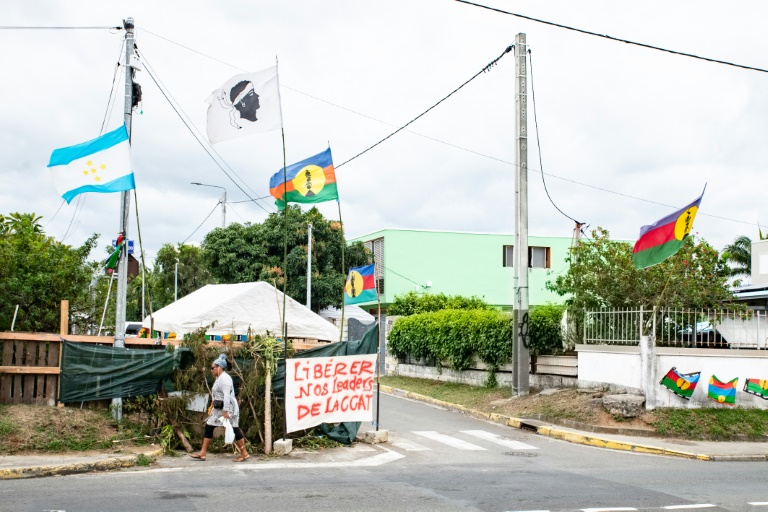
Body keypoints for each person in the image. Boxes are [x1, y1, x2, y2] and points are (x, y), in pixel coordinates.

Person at [190, 353, 249, 462]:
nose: (211, 370)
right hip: (218, 408)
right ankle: (202, 453)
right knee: (209, 426)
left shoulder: (225, 379)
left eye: (213, 368)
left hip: (227, 408)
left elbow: (227, 395)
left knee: (234, 428)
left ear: (219, 368)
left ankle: (244, 453)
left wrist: (226, 411)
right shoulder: (219, 378)